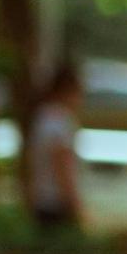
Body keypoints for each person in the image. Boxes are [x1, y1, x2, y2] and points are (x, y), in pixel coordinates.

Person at [27, 62, 85, 232]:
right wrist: (75, 204)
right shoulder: (60, 121)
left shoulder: (42, 117)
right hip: (57, 204)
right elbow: (61, 164)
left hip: (41, 200)